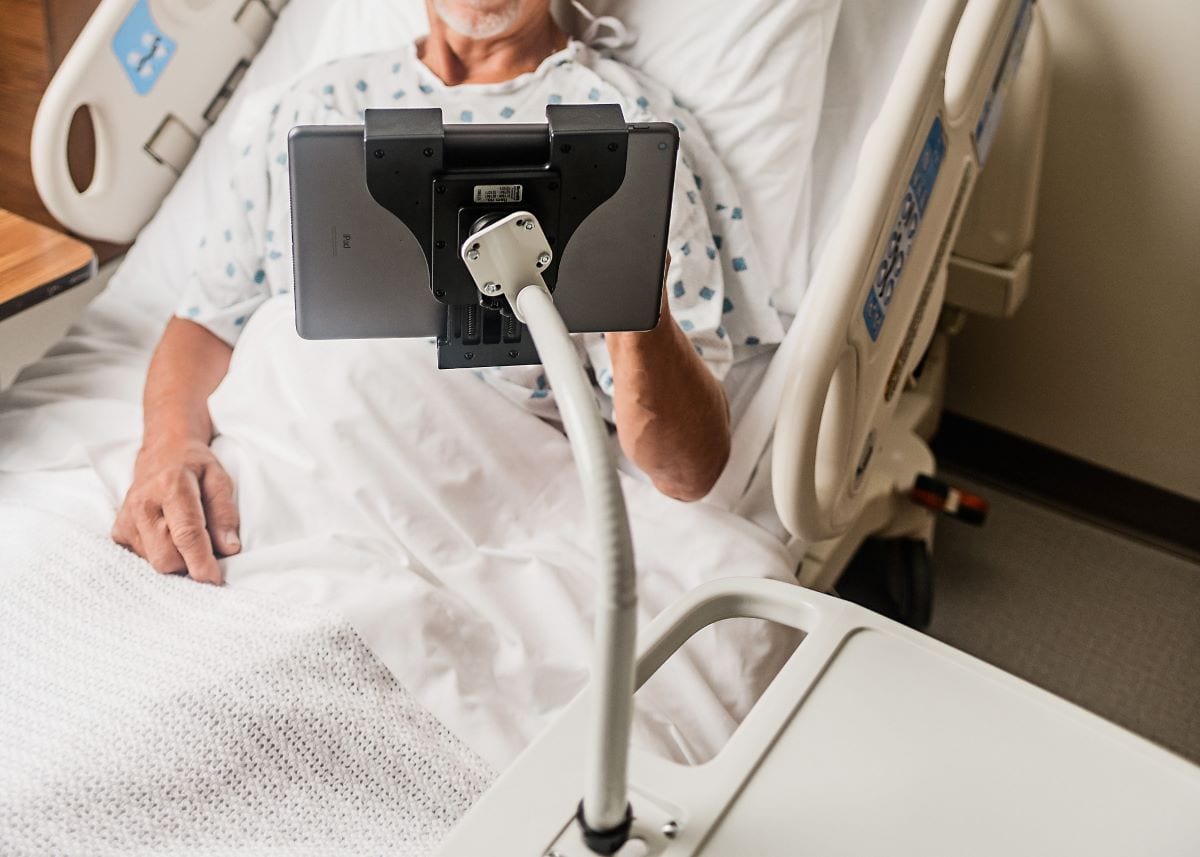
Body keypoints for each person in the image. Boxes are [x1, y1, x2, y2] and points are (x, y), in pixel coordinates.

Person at [112, 0, 785, 584]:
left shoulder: (622, 137)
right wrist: (166, 450)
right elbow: (206, 320)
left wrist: (636, 299)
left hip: (470, 508)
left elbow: (687, 472)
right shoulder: (318, 108)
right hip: (269, 489)